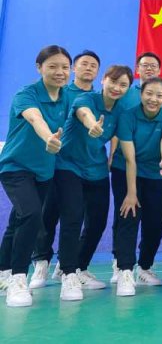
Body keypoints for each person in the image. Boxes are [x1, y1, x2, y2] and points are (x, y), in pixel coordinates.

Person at [50, 65, 132, 301]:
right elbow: (84, 113)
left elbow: (120, 137)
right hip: (68, 165)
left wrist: (112, 154)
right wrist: (93, 125)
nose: (117, 88)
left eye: (123, 85)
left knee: (97, 222)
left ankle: (79, 267)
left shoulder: (121, 111)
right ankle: (68, 274)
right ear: (103, 80)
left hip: (96, 169)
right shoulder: (85, 99)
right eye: (113, 82)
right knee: (73, 217)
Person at [0, 45, 70, 307]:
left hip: (44, 172)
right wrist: (49, 137)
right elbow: (34, 118)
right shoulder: (26, 94)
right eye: (52, 66)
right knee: (31, 215)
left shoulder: (67, 96)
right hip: (15, 167)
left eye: (65, 67)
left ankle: (2, 270)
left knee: (19, 219)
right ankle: (18, 279)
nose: (60, 72)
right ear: (39, 68)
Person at [30, 50, 102, 288]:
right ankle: (41, 262)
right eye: (84, 64)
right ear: (73, 69)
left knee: (83, 219)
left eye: (93, 65)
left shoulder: (98, 98)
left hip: (91, 168)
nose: (88, 68)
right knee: (49, 214)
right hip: (60, 165)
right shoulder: (61, 93)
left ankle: (68, 266)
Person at [111, 78, 162, 296]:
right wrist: (131, 193)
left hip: (154, 172)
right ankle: (124, 271)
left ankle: (144, 267)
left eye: (159, 95)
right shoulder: (127, 116)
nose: (153, 99)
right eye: (149, 94)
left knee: (157, 219)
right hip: (126, 169)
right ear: (141, 94)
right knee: (129, 216)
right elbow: (130, 159)